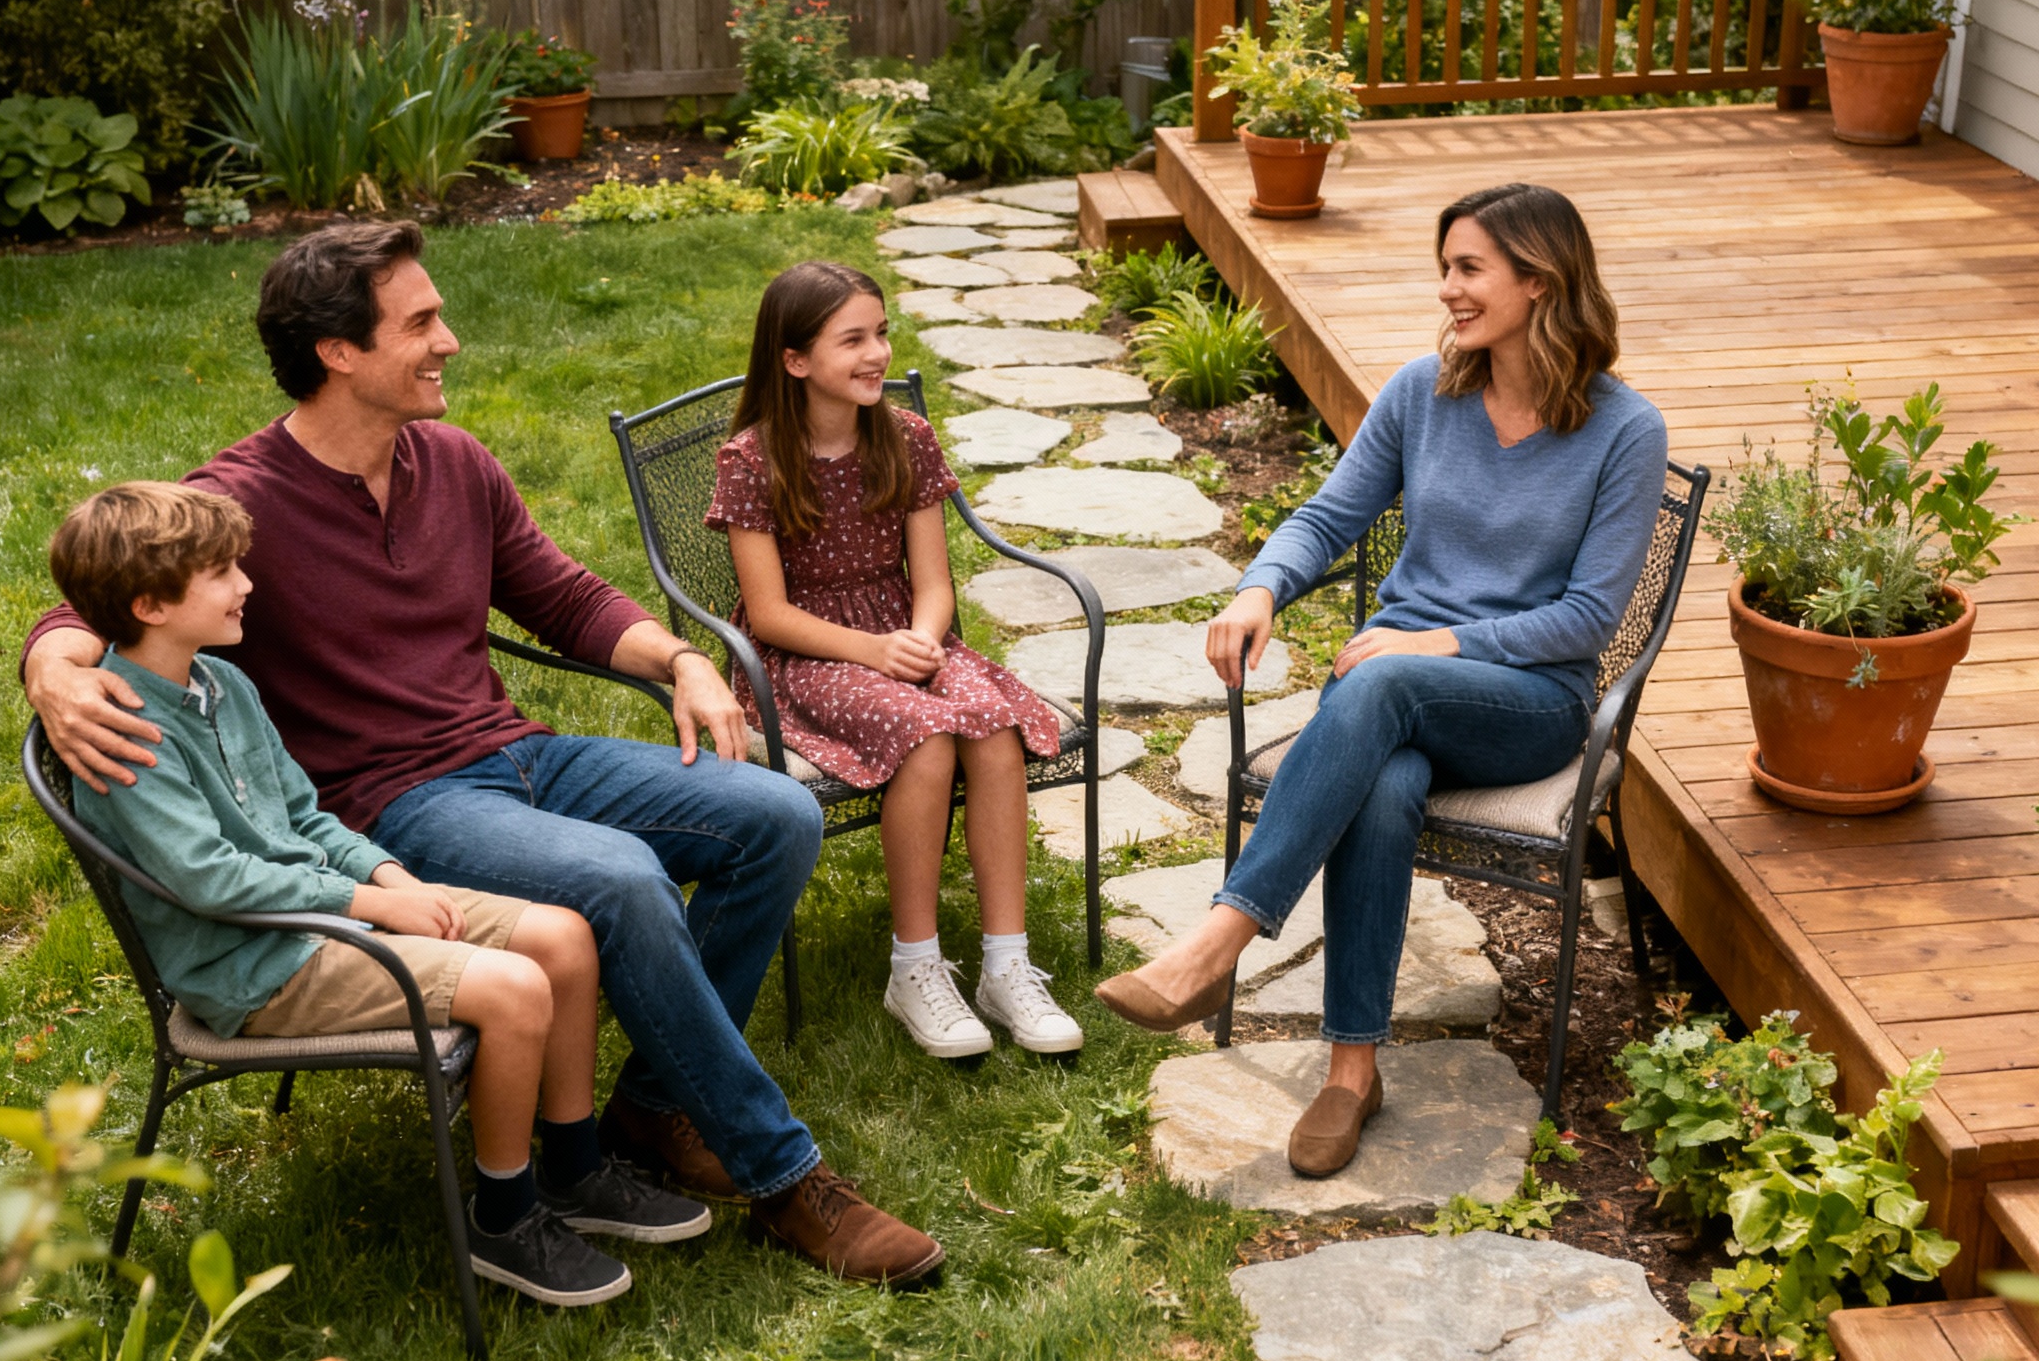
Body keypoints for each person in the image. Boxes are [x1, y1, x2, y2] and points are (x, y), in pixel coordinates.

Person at [23, 222, 943, 1286]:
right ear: (338, 351)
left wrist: (682, 662)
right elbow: (103, 594)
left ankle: (651, 1109)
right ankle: (783, 1179)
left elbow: (564, 595)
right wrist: (52, 664)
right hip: (393, 803)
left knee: (774, 816)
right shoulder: (249, 497)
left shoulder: (453, 461)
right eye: (420, 322)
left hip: (517, 753)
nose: (449, 341)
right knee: (621, 879)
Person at [1095, 183, 1669, 1178]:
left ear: (1539, 280)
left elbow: (1587, 621)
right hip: (1389, 687)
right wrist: (1259, 590)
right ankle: (1351, 1071)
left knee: (1378, 685)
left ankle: (1214, 945)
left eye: (1468, 268)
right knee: (1386, 777)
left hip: (1526, 699)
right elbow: (1325, 519)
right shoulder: (1424, 394)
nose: (1446, 289)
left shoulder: (1624, 431)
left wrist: (1436, 645)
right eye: (1445, 266)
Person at [49, 481, 713, 1306]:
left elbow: (303, 813)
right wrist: (367, 904)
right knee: (513, 989)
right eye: (220, 572)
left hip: (324, 910)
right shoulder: (128, 732)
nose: (246, 583)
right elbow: (210, 878)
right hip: (254, 961)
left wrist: (388, 875)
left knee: (564, 938)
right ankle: (505, 1219)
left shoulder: (224, 684)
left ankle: (576, 1170)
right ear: (150, 604)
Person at [710, 262, 1082, 1060]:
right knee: (925, 732)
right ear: (796, 360)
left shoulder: (906, 436)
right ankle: (913, 966)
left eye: (881, 332)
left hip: (905, 631)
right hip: (804, 655)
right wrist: (873, 651)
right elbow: (770, 614)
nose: (878, 352)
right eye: (854, 339)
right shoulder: (752, 460)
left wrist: (920, 634)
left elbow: (936, 581)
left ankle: (1005, 964)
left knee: (989, 724)